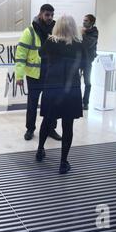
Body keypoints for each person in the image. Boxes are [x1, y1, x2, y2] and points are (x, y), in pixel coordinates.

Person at [36, 15, 86, 174]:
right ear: (73, 27)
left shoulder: (51, 42)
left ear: (57, 27)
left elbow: (41, 55)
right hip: (71, 90)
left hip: (52, 87)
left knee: (47, 120)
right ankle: (63, 162)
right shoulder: (79, 44)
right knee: (68, 125)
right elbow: (85, 63)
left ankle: (40, 150)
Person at [16, 4, 62, 142]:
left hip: (52, 74)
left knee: (52, 104)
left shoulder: (56, 30)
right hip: (34, 75)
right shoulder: (29, 31)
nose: (50, 18)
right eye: (47, 14)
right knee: (32, 104)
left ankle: (51, 129)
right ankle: (30, 129)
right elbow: (21, 54)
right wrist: (19, 75)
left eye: (52, 15)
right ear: (41, 14)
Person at [81, 14, 99, 110]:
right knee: (75, 82)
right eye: (83, 20)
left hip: (87, 61)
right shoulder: (81, 31)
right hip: (78, 60)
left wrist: (83, 34)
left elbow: (87, 44)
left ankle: (85, 102)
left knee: (87, 82)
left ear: (92, 22)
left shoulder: (94, 32)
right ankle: (76, 100)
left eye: (86, 20)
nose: (84, 22)